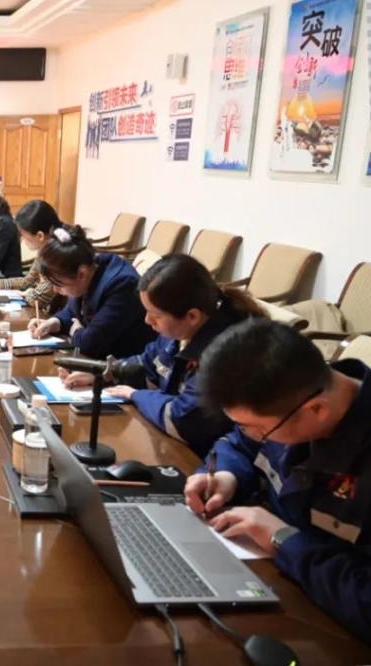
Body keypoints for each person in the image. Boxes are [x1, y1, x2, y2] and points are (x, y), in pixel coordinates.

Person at [187, 319, 371, 641]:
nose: (254, 434)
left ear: (318, 410)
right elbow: (238, 444)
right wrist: (227, 474)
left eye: (259, 429)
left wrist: (283, 539)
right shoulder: (287, 396)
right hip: (281, 585)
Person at [61, 254, 267, 456]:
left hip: (204, 457)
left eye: (156, 315)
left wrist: (135, 395)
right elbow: (146, 365)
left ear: (192, 316)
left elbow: (183, 420)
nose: (147, 321)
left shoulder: (225, 353)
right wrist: (102, 373)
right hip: (174, 445)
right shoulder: (179, 332)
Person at [28, 225, 155, 358]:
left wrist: (76, 331)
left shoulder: (122, 284)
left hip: (122, 363)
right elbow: (72, 311)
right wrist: (54, 322)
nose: (55, 289)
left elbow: (89, 343)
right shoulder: (88, 267)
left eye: (59, 284)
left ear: (81, 274)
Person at [0, 199, 62, 315]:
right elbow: (27, 281)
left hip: (53, 316)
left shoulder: (57, 256)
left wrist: (28, 293)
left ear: (40, 236)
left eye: (24, 236)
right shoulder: (43, 251)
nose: (21, 240)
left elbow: (37, 299)